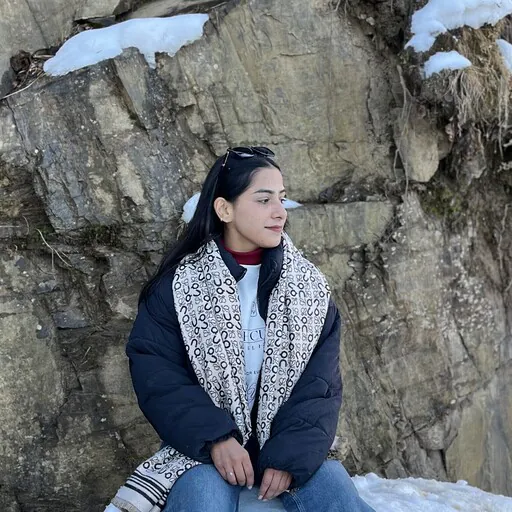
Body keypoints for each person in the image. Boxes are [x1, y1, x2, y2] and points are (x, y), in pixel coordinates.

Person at [107, 147, 375, 512]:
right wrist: (217, 439)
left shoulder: (310, 288)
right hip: (202, 449)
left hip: (291, 443)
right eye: (264, 200)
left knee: (339, 499)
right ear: (224, 209)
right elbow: (159, 376)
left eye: (281, 198)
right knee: (201, 502)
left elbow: (320, 385)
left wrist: (290, 454)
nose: (280, 211)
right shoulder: (178, 287)